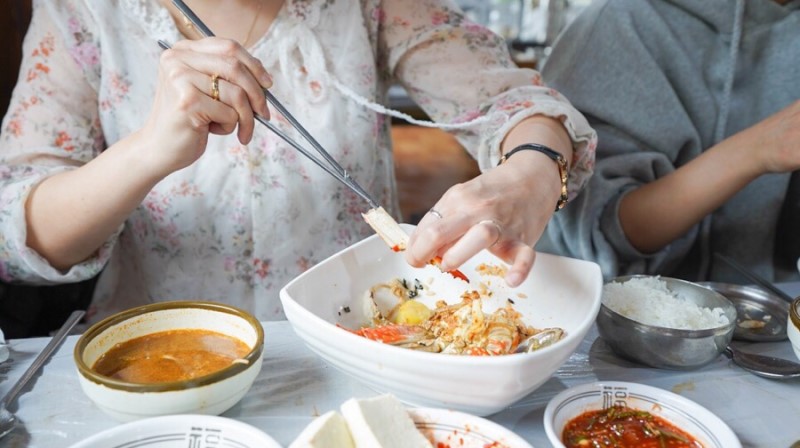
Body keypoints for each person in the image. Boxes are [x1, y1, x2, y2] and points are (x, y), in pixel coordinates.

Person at [0, 0, 596, 324]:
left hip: (355, 338)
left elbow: (513, 102)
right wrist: (147, 151)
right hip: (157, 358)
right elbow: (17, 235)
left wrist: (532, 172)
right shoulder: (82, 13)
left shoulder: (366, 7)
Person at [537, 0, 800, 283]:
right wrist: (759, 149)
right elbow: (598, 237)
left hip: (775, 305)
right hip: (616, 310)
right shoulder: (622, 22)